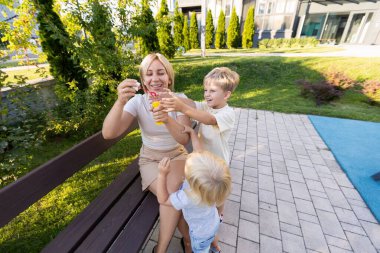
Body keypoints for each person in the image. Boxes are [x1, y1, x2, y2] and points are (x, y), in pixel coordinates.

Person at [102, 53, 192, 253]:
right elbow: (109, 133)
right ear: (143, 81)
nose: (155, 79)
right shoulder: (139, 102)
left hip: (177, 155)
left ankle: (161, 249)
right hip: (150, 159)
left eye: (161, 73)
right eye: (149, 74)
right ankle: (187, 241)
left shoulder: (180, 100)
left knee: (172, 194)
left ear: (169, 77)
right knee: (173, 196)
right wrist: (119, 102)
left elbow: (183, 139)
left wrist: (168, 119)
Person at [161, 67, 239, 252]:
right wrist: (172, 96)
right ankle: (212, 226)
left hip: (217, 165)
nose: (207, 95)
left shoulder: (227, 113)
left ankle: (217, 219)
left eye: (212, 91)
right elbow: (191, 104)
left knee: (217, 198)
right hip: (203, 161)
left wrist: (181, 108)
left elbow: (208, 119)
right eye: (205, 90)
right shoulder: (208, 105)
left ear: (227, 94)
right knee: (206, 197)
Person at [157, 125, 232, 253]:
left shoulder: (188, 196)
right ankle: (216, 248)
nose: (188, 158)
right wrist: (192, 133)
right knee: (212, 236)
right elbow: (199, 152)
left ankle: (207, 249)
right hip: (213, 222)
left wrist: (162, 175)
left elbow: (163, 200)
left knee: (200, 248)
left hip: (199, 235)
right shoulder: (210, 189)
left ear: (191, 179)